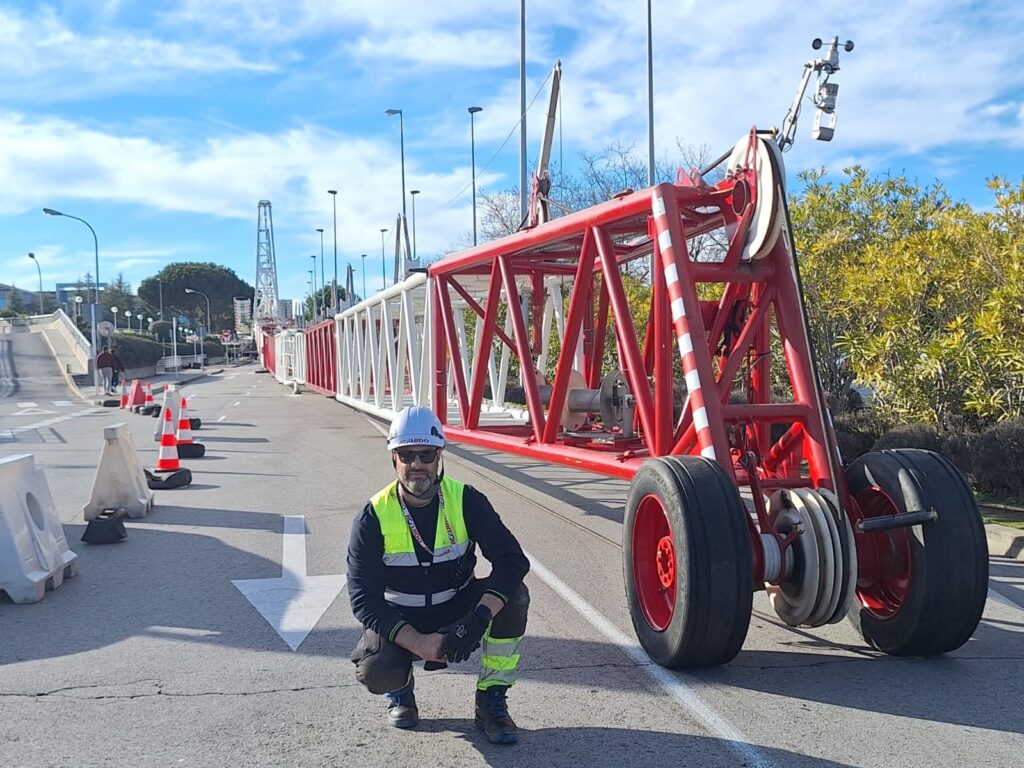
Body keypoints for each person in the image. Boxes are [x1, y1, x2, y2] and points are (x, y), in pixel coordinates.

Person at [348, 406, 530, 745]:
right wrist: (418, 642)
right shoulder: (372, 516)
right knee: (374, 671)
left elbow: (512, 561)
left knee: (515, 595)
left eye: (426, 453)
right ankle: (401, 691)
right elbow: (363, 599)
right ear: (394, 458)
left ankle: (491, 699)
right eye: (406, 454)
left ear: (439, 456)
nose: (416, 463)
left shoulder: (467, 500)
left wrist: (478, 618)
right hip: (402, 615)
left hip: (457, 607)